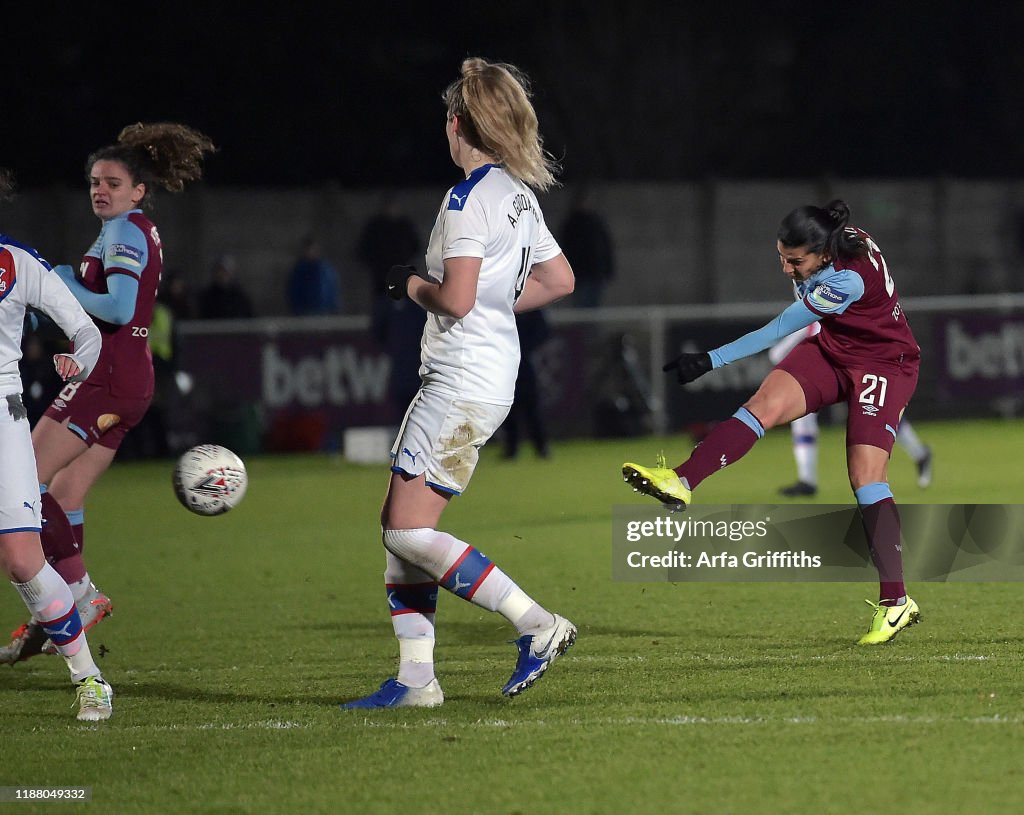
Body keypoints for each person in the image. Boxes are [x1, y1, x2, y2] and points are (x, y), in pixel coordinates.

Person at [342, 58, 576, 709]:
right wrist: (496, 304)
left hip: (458, 378)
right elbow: (561, 283)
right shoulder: (518, 195)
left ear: (458, 124)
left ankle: (536, 622)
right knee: (401, 525)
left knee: (406, 533)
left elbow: (458, 298)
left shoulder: (467, 199)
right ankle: (417, 678)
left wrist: (408, 284)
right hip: (492, 375)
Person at [623, 200, 922, 645]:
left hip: (884, 365)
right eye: (781, 256)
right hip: (835, 350)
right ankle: (682, 479)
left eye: (795, 261)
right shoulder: (831, 242)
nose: (786, 268)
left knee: (865, 477)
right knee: (761, 406)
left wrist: (711, 359)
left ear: (822, 254)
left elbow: (779, 328)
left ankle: (896, 602)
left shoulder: (847, 278)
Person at [0, 123, 215, 664]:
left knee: (25, 483)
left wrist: (58, 278)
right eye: (95, 182)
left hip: (106, 379)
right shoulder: (134, 228)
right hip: (126, 380)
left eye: (113, 183)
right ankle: (65, 605)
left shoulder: (125, 232)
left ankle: (75, 599)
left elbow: (117, 308)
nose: (101, 190)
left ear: (138, 190)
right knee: (63, 499)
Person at [0, 168, 114, 719]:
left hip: (3, 415)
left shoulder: (17, 263)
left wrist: (77, 363)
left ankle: (89, 678)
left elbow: (87, 333)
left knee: (22, 559)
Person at [769, 317, 933, 497]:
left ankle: (920, 453)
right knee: (802, 417)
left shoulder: (851, 313)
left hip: (859, 373)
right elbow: (777, 353)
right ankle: (807, 480)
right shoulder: (814, 320)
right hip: (830, 378)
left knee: (880, 416)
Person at [502, 309, 551, 459]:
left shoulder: (528, 306)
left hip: (522, 363)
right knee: (507, 409)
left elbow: (543, 330)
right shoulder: (506, 303)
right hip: (505, 363)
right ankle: (512, 448)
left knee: (531, 408)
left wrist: (524, 346)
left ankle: (540, 447)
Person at [558, 185, 615, 307]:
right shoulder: (572, 224)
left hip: (596, 273)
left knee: (594, 308)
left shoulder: (596, 221)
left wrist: (607, 269)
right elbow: (567, 249)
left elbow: (605, 246)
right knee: (582, 307)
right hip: (580, 273)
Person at [287, 237, 340, 315]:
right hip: (305, 312)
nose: (311, 252)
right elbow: (294, 290)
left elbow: (332, 288)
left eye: (314, 249)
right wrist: (296, 309)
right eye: (309, 249)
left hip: (325, 311)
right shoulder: (299, 270)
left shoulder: (326, 269)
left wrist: (334, 307)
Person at [198, 254, 253, 319]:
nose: (222, 274)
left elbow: (249, 316)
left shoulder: (240, 296)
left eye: (225, 271)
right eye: (219, 270)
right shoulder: (206, 296)